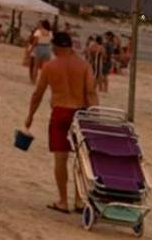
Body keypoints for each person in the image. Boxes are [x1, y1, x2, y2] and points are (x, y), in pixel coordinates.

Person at [24, 30, 98, 214]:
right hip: (80, 113)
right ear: (70, 46)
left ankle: (63, 201)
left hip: (60, 112)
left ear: (56, 47)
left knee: (60, 158)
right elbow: (90, 92)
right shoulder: (84, 66)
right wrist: (95, 115)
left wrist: (30, 116)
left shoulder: (50, 66)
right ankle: (80, 201)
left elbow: (38, 94)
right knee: (81, 159)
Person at [26, 19, 54, 84]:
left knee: (36, 66)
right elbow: (51, 41)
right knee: (44, 68)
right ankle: (43, 81)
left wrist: (30, 50)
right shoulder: (50, 32)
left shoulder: (39, 31)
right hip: (47, 48)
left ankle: (33, 81)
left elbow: (35, 41)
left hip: (39, 47)